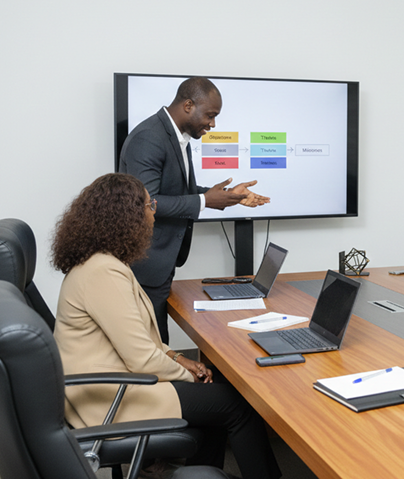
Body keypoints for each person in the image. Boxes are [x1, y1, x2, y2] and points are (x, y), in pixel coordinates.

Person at [52, 173, 281, 479]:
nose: (154, 212)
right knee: (238, 405)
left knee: (217, 398)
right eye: (149, 206)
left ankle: (203, 474)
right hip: (110, 399)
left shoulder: (103, 263)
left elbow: (138, 339)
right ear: (125, 218)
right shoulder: (103, 273)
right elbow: (141, 358)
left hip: (114, 383)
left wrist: (177, 358)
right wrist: (187, 374)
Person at [119, 76, 269, 344]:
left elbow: (176, 191)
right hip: (145, 262)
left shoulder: (178, 136)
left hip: (160, 262)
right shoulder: (149, 138)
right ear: (188, 105)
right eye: (210, 115)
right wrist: (206, 201)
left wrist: (226, 196)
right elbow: (148, 202)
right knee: (152, 344)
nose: (213, 124)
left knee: (158, 341)